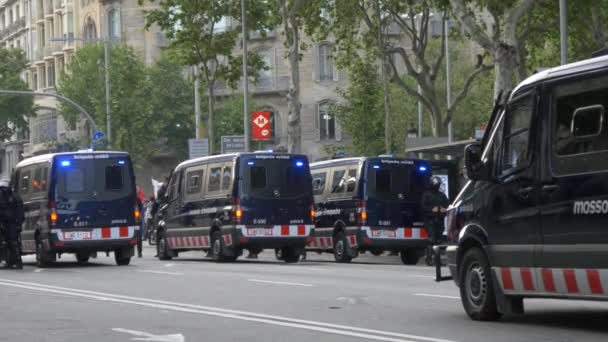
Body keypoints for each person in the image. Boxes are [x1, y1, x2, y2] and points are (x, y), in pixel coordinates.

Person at [421, 176, 449, 266]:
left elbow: (448, 204)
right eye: (436, 184)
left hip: (440, 220)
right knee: (431, 240)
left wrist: (445, 209)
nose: (437, 186)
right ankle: (429, 259)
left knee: (439, 241)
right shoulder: (426, 194)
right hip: (430, 220)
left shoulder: (442, 195)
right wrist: (432, 209)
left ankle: (438, 260)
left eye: (438, 184)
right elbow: (423, 206)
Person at [0, 179, 24, 269]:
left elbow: (20, 211)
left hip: (12, 223)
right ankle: (4, 260)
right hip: (2, 223)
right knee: (2, 243)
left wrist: (19, 224)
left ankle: (16, 261)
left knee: (13, 242)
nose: (3, 190)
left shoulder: (15, 197)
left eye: (4, 188)